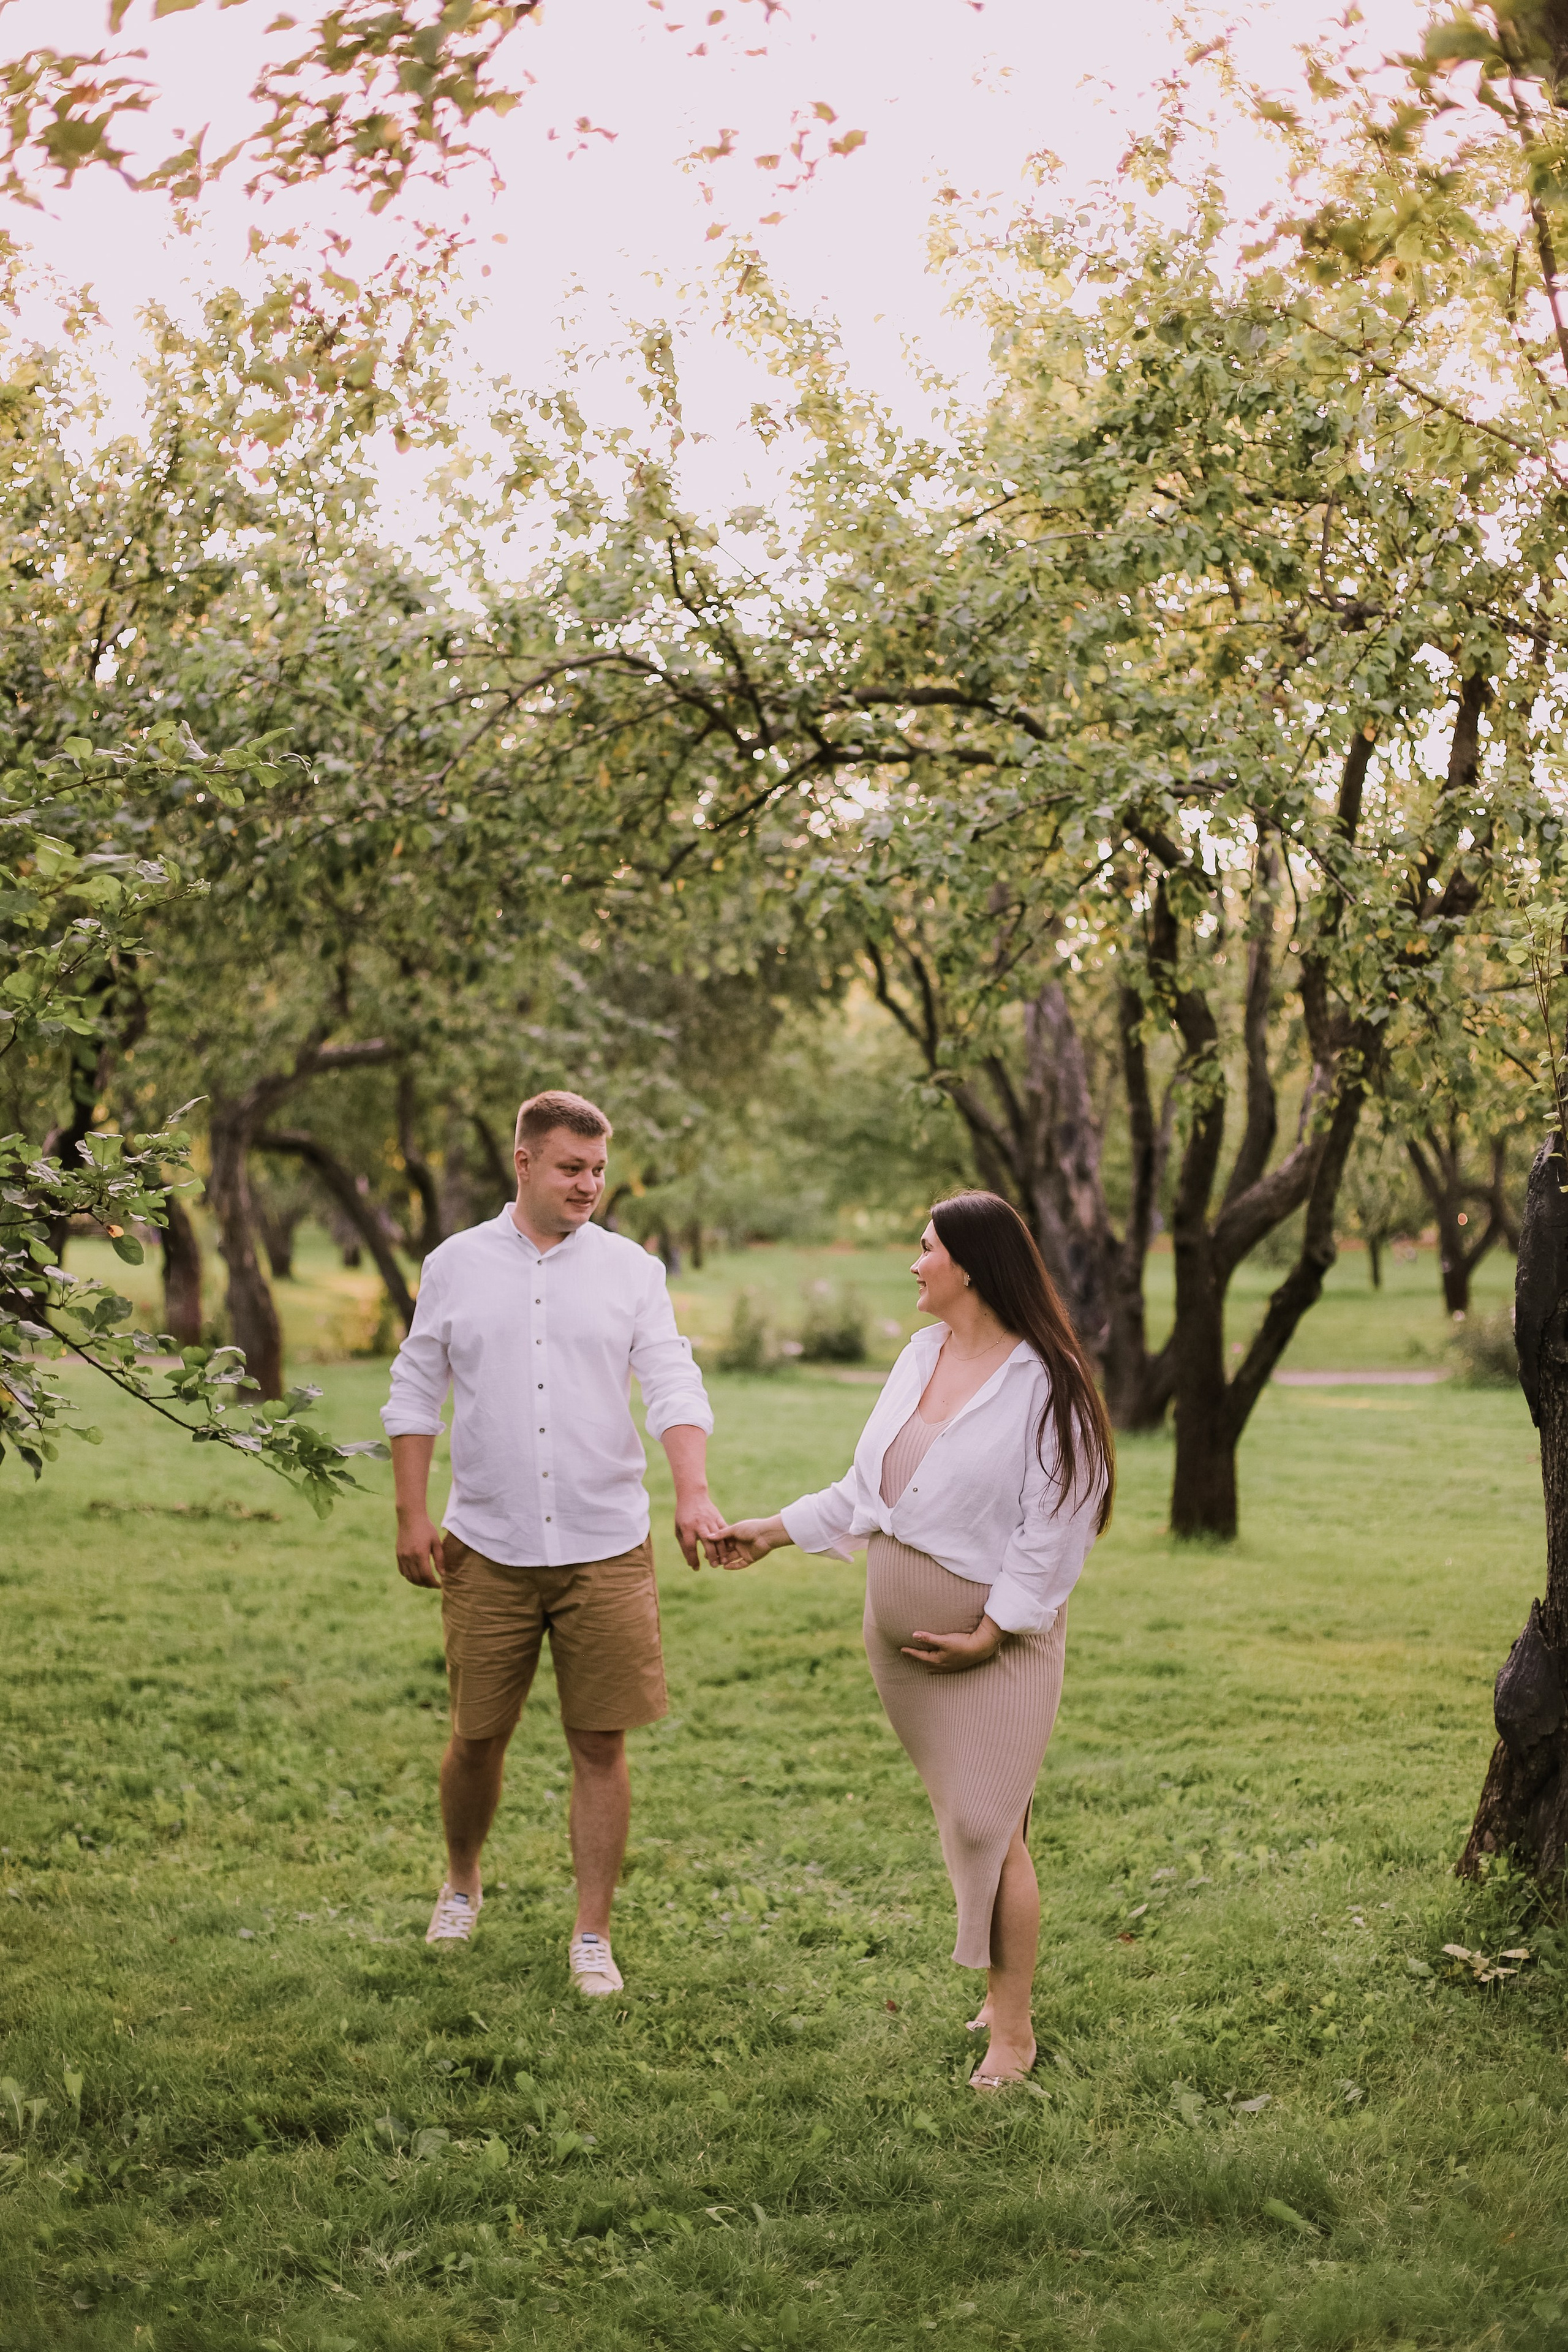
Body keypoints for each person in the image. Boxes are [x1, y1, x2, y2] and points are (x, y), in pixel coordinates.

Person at [715, 1191, 1113, 2087]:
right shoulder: (922, 1353)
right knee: (982, 1817)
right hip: (903, 1649)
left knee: (986, 1820)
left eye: (926, 1247)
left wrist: (994, 1631)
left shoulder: (1048, 1385)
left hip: (995, 1645)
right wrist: (769, 1532)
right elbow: (869, 1489)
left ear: (970, 1265)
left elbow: (1059, 1527)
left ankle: (1013, 2031)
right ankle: (1002, 1993)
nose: (914, 1262)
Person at [381, 1088, 728, 1997]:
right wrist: (411, 1515)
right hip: (486, 1544)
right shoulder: (455, 1265)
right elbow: (416, 1390)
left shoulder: (631, 1271)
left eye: (599, 1170)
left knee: (600, 1743)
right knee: (476, 1736)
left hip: (605, 1543)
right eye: (572, 1168)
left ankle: (592, 1934)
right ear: (525, 1162)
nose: (590, 1185)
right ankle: (461, 1882)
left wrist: (692, 1492)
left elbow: (672, 1383)